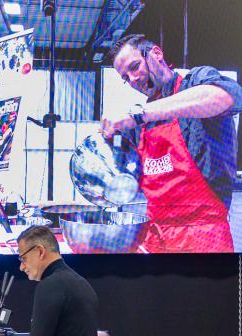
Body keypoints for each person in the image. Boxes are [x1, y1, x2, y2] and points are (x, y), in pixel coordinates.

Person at [100, 34, 242, 253]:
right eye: (125, 77)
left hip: (203, 238)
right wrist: (110, 142)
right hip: (155, 237)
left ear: (156, 54)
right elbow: (129, 168)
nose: (133, 79)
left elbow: (226, 97)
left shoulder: (196, 82)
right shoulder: (141, 123)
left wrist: (141, 114)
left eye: (135, 66)